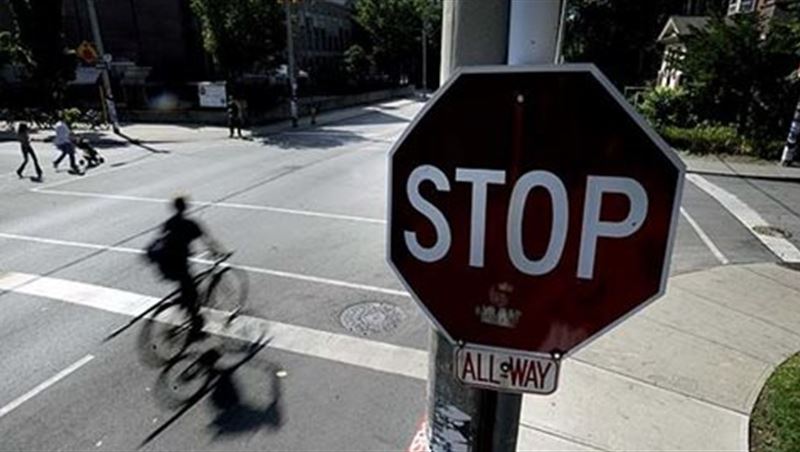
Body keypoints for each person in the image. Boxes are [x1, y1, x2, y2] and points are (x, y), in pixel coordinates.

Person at [152, 196, 223, 335]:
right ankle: (195, 325)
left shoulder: (169, 223)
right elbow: (208, 241)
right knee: (192, 294)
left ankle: (185, 306)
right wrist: (218, 252)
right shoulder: (190, 224)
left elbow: (161, 240)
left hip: (166, 264)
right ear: (186, 207)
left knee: (186, 288)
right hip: (179, 264)